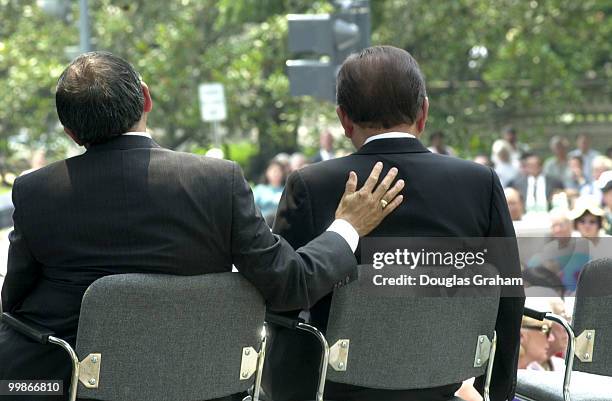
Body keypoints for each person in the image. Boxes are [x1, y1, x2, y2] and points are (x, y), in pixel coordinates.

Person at [0, 51, 405, 401]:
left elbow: (13, 304)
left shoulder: (37, 191)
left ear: (70, 133)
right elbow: (289, 286)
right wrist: (348, 226)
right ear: (146, 98)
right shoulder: (217, 182)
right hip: (202, 386)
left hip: (72, 386)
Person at [263, 46, 524, 401]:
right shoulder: (480, 184)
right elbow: (508, 298)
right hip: (442, 389)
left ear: (343, 119)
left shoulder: (312, 185)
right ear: (424, 112)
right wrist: (493, 392)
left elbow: (284, 300)